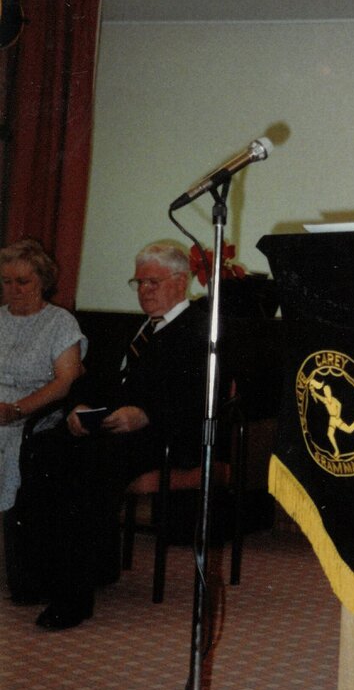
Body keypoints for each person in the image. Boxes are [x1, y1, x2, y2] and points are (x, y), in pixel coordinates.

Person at [33, 241, 207, 630]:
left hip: (163, 436)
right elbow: (95, 379)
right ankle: (47, 576)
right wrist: (77, 405)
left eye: (152, 281)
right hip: (116, 429)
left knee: (90, 465)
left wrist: (146, 415)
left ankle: (72, 598)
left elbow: (198, 398)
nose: (144, 289)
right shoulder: (140, 327)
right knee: (45, 450)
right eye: (138, 281)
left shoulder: (199, 330)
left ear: (180, 282)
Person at [1, 239, 86, 602]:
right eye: (6, 281)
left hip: (34, 413)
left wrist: (18, 409)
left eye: (23, 281)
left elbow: (65, 381)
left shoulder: (59, 322)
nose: (13, 290)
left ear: (43, 281)